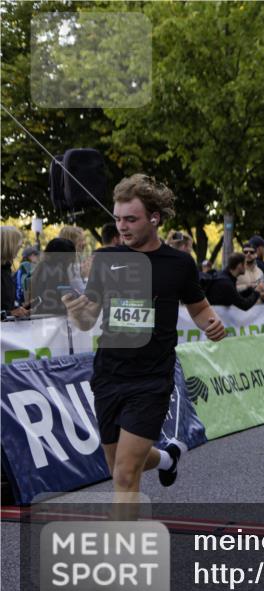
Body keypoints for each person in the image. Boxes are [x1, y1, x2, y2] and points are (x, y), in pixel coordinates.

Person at [61, 174, 226, 512]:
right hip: (109, 375)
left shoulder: (180, 264)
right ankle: (167, 458)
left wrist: (212, 325)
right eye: (118, 219)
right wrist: (75, 311)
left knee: (124, 474)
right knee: (120, 465)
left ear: (155, 218)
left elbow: (200, 309)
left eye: (131, 219)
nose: (122, 227)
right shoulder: (106, 259)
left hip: (152, 378)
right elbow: (88, 318)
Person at [27, 237, 78, 316]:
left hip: (42, 319)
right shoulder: (55, 273)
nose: (72, 260)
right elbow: (51, 304)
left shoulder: (43, 266)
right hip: (50, 322)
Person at [1, 226, 27, 318]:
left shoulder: (6, 270)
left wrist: (20, 308)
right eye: (18, 242)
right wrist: (10, 313)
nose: (21, 246)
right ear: (8, 244)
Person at [58, 224, 88, 291]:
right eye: (80, 240)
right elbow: (82, 292)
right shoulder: (70, 265)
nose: (84, 243)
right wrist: (87, 276)